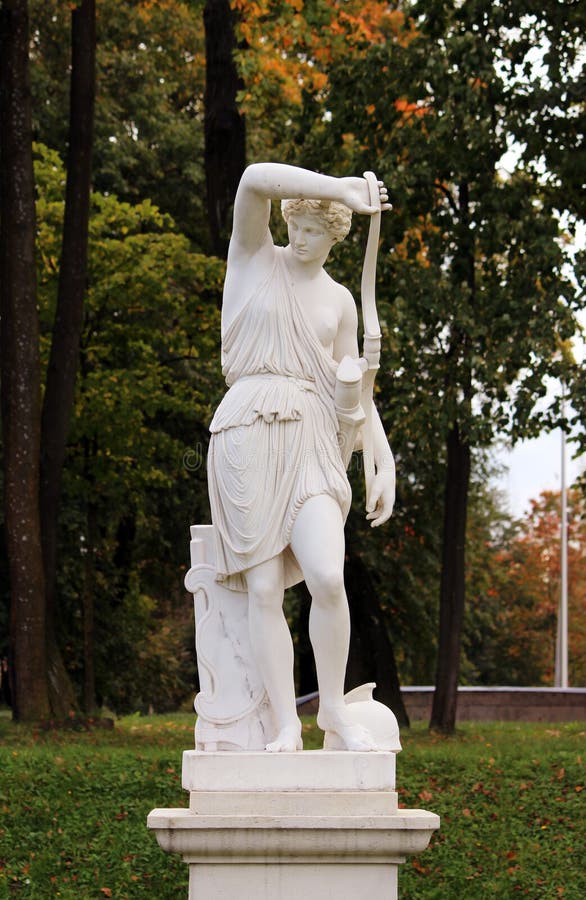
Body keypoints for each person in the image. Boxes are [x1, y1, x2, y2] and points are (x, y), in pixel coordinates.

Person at [207, 163, 395, 752]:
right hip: (247, 433)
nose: (302, 235)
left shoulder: (341, 303)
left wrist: (380, 460)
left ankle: (333, 711)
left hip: (313, 439)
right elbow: (252, 179)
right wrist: (338, 189)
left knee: (327, 576)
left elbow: (356, 391)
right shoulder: (254, 260)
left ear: (336, 237)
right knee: (264, 590)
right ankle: (286, 722)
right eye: (298, 221)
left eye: (316, 228)